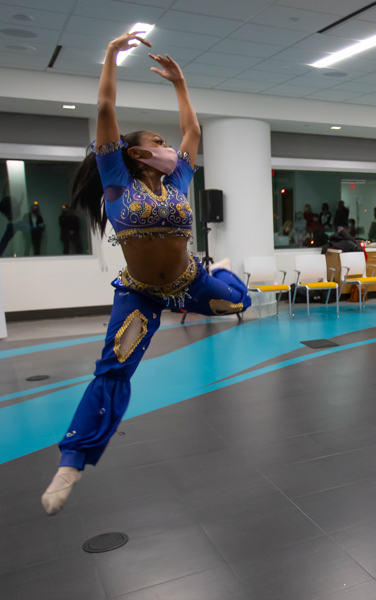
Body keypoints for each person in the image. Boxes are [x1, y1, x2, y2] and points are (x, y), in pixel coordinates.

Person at [41, 33, 251, 516]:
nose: (167, 147)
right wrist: (111, 56)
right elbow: (105, 105)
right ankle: (72, 461)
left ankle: (219, 269)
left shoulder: (177, 181)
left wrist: (180, 84)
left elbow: (193, 130)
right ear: (133, 154)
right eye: (157, 143)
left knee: (238, 302)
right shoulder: (116, 179)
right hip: (141, 294)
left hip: (190, 282)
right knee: (115, 366)